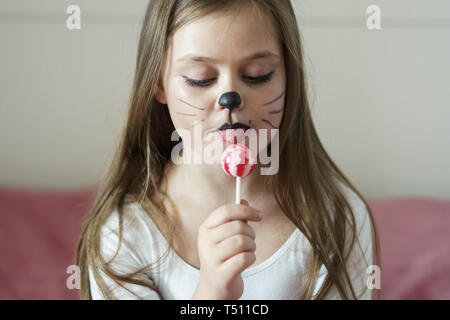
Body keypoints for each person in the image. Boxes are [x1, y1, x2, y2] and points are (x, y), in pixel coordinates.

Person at [76, 0, 380, 300]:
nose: (229, 98)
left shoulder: (337, 221)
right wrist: (210, 296)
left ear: (289, 78)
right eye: (200, 78)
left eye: (258, 74)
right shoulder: (125, 236)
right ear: (159, 83)